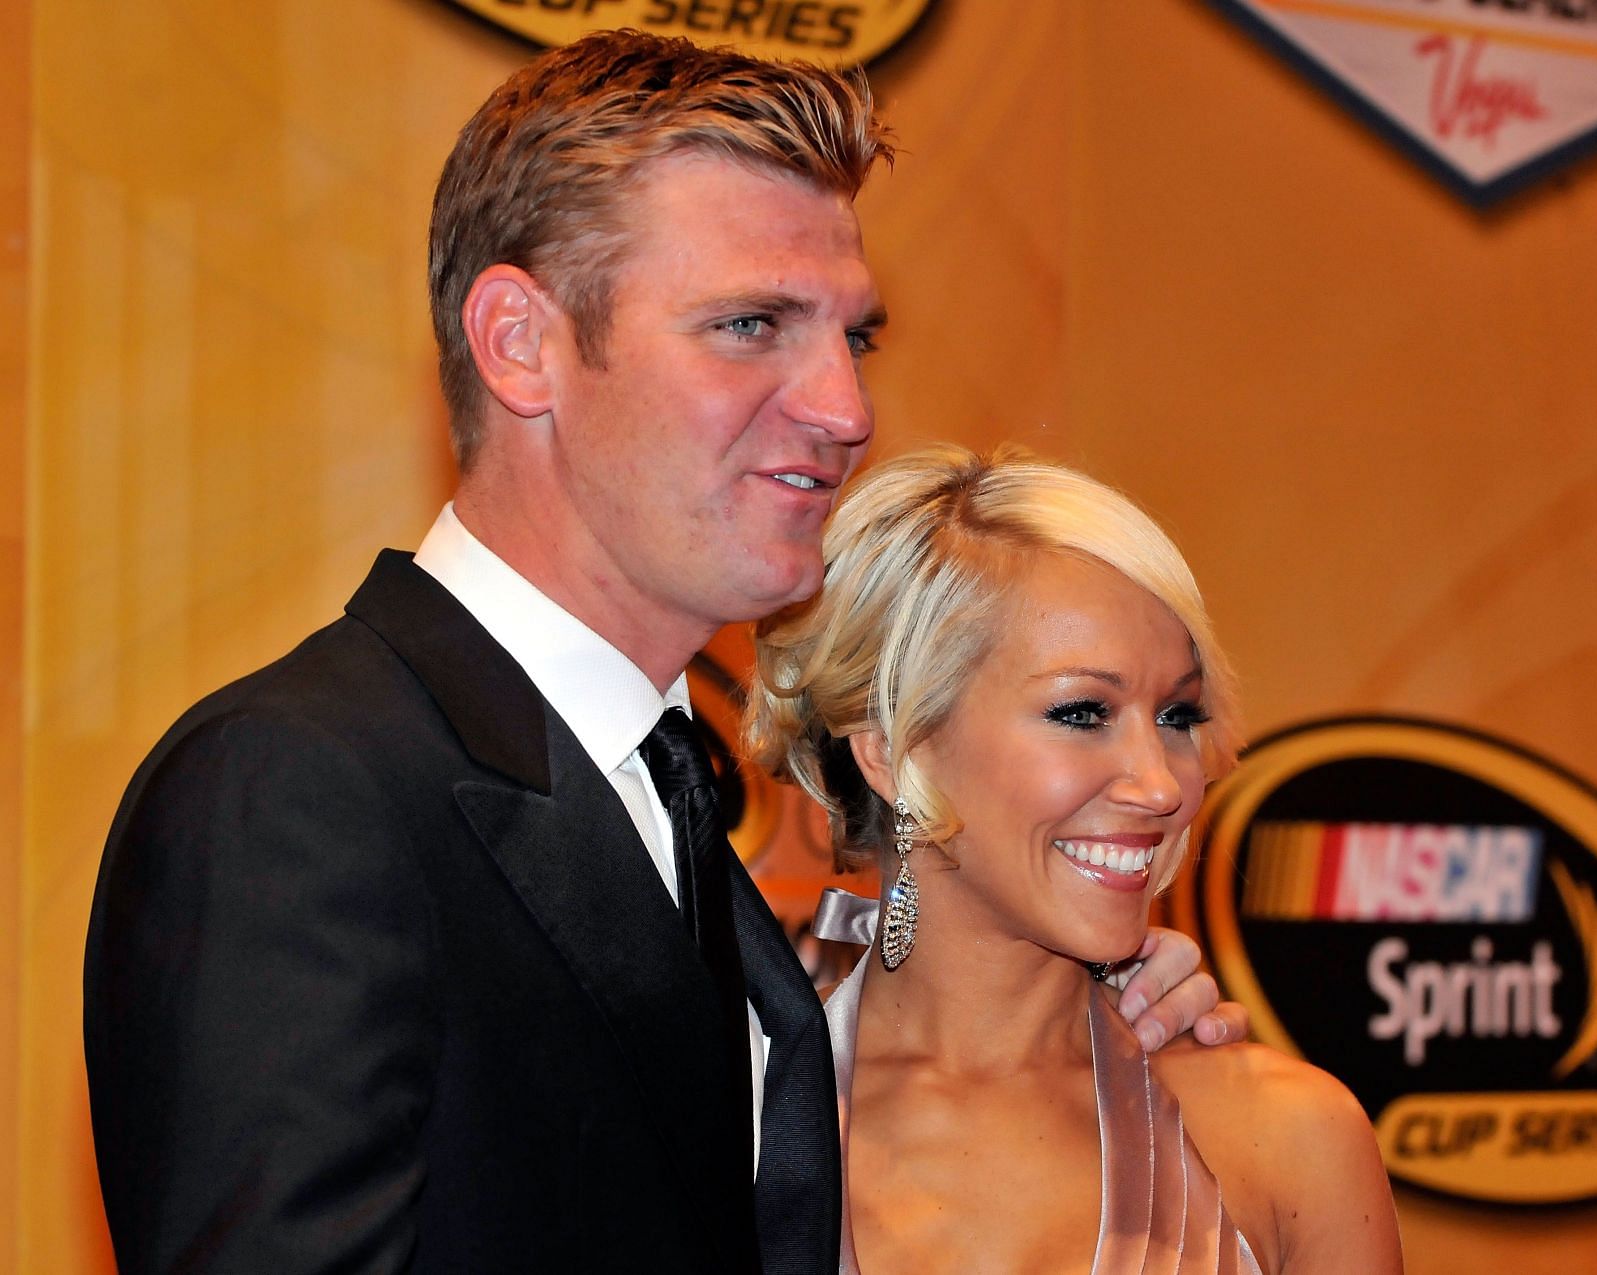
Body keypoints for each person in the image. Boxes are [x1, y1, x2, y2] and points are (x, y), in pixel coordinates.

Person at [82, 30, 1242, 1275]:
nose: (846, 411)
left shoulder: (662, 793)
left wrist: (1069, 993)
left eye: (853, 339)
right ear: (521, 343)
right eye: (751, 324)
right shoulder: (300, 792)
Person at [747, 445, 1403, 1274]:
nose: (1162, 784)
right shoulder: (742, 1130)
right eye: (1083, 711)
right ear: (893, 748)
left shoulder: (1288, 1138)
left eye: (1177, 714)